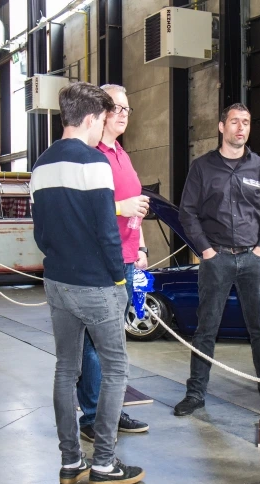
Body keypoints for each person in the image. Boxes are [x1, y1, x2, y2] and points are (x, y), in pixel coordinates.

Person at [30, 81, 144, 484]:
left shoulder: (41, 165)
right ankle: (105, 463)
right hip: (97, 284)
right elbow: (107, 232)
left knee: (66, 369)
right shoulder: (94, 162)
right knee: (115, 368)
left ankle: (70, 462)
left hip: (57, 282)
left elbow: (40, 233)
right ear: (93, 119)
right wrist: (118, 278)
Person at [175, 103, 260, 417]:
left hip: (253, 259)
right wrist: (206, 250)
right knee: (206, 329)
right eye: (235, 122)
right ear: (222, 127)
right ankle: (195, 394)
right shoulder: (202, 167)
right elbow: (188, 212)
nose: (241, 128)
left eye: (246, 122)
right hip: (216, 259)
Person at [75, 84, 150, 442]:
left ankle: (111, 411)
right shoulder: (91, 155)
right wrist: (121, 208)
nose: (122, 114)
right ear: (100, 112)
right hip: (101, 262)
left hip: (127, 260)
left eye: (126, 109)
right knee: (95, 344)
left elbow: (137, 207)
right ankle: (92, 417)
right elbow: (81, 210)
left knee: (114, 345)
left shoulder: (122, 154)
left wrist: (142, 248)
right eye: (115, 107)